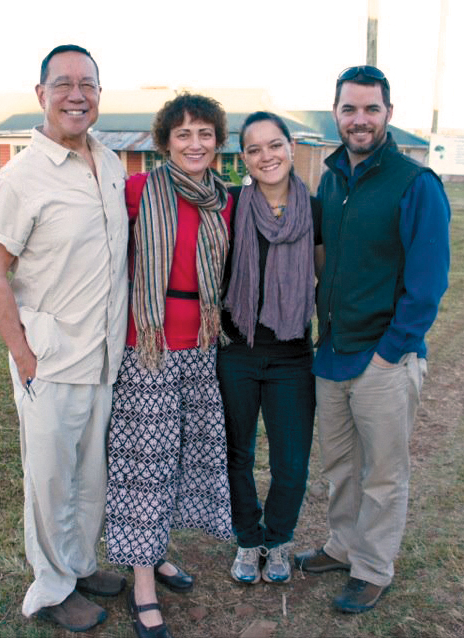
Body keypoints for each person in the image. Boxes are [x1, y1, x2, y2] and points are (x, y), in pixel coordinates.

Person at [0, 45, 129, 632]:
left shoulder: (111, 163)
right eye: (63, 83)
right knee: (49, 479)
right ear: (41, 95)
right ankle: (51, 587)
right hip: (50, 359)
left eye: (87, 83)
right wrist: (24, 356)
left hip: (104, 356)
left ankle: (81, 565)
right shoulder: (20, 179)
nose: (76, 94)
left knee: (91, 474)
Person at [294, 66, 451, 613]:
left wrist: (390, 354)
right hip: (333, 352)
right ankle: (341, 546)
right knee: (339, 467)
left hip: (383, 357)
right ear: (335, 113)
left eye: (371, 109)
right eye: (349, 109)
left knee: (383, 474)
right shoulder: (332, 177)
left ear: (389, 112)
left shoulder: (415, 184)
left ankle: (373, 567)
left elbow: (428, 283)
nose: (360, 120)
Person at [105, 93, 233, 638]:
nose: (194, 143)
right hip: (149, 344)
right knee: (143, 465)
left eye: (204, 133)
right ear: (165, 143)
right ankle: (142, 586)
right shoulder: (138, 190)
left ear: (218, 141)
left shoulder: (225, 200)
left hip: (202, 344)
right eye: (183, 134)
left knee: (179, 456)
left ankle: (156, 554)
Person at [217, 111, 321, 586]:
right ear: (244, 159)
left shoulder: (316, 210)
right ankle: (247, 538)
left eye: (274, 145)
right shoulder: (230, 205)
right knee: (235, 453)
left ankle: (278, 539)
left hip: (292, 354)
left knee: (291, 460)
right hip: (236, 349)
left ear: (291, 147)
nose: (267, 156)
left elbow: (322, 277)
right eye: (255, 149)